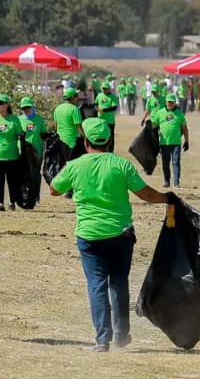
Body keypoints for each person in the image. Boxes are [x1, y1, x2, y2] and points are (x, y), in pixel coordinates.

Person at [50, 118, 172, 352]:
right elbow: (145, 193)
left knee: (96, 285)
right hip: (120, 234)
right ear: (108, 141)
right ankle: (121, 334)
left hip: (89, 236)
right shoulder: (121, 165)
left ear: (85, 141)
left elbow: (55, 189)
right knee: (118, 282)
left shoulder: (76, 166)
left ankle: (102, 340)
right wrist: (167, 198)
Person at [0, 94, 23, 211]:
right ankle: (0, 203)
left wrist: (23, 151)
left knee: (12, 181)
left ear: (7, 105)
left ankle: (12, 202)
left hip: (12, 155)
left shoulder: (14, 119)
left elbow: (19, 136)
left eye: (0, 103)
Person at [153, 94, 190, 188]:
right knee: (165, 163)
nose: (170, 103)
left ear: (175, 102)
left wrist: (186, 141)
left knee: (176, 162)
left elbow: (185, 128)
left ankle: (176, 182)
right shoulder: (160, 112)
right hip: (164, 143)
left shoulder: (179, 113)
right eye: (168, 101)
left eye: (172, 102)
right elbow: (154, 126)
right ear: (166, 102)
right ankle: (166, 180)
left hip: (176, 143)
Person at [19, 97, 47, 204]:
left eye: (28, 107)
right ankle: (26, 195)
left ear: (32, 107)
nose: (26, 109)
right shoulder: (19, 120)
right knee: (24, 174)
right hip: (24, 152)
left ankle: (36, 195)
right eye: (24, 108)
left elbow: (43, 133)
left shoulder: (39, 119)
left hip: (37, 152)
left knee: (35, 174)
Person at [54, 87, 85, 162]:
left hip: (60, 141)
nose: (77, 97)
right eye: (76, 95)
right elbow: (79, 126)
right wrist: (85, 137)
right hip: (72, 142)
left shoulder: (57, 109)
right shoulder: (74, 109)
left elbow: (56, 125)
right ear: (72, 97)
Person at [96, 82, 119, 151]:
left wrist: (103, 110)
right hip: (100, 120)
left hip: (110, 121)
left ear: (109, 89)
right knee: (101, 136)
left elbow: (114, 108)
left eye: (106, 88)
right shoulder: (99, 95)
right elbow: (95, 104)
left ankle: (110, 151)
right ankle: (103, 150)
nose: (104, 90)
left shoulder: (113, 96)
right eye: (103, 88)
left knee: (110, 137)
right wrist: (96, 108)